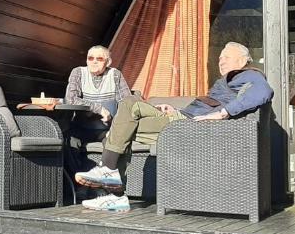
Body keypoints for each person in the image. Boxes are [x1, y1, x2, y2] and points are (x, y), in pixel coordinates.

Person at [76, 41, 273, 212]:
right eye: (220, 57)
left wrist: (223, 113)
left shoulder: (249, 75)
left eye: (226, 57)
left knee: (124, 122)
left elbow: (264, 91)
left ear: (242, 61)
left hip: (185, 126)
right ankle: (112, 183)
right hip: (180, 117)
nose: (220, 61)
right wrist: (171, 108)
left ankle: (113, 186)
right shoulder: (230, 80)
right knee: (127, 109)